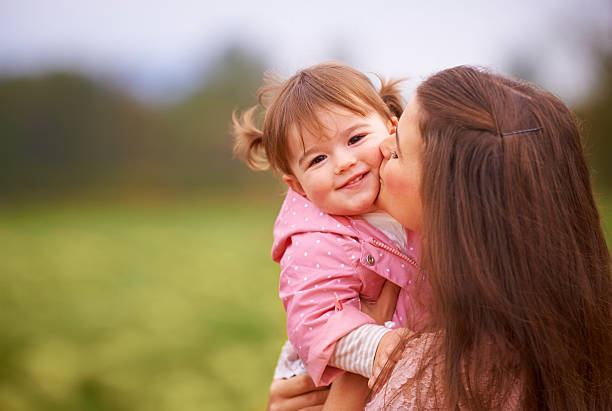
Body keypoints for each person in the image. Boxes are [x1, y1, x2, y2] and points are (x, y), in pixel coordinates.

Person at [321, 65, 612, 409]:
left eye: (398, 150)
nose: (381, 146)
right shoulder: (585, 340)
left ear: (450, 204)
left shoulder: (430, 379)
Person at [232, 62, 431, 391]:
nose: (344, 162)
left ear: (392, 130)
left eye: (355, 138)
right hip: (351, 378)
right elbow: (314, 322)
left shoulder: (418, 191)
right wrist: (375, 345)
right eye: (317, 160)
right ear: (297, 186)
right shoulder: (316, 241)